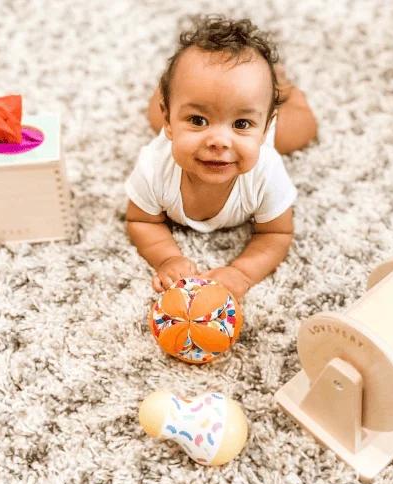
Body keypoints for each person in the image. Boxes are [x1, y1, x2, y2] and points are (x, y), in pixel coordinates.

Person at [125, 15, 317, 301]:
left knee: (304, 130)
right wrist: (167, 259)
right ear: (170, 122)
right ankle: (173, 90)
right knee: (152, 112)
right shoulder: (154, 167)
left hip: (274, 121)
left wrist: (242, 272)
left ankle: (283, 87)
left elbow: (275, 235)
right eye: (198, 120)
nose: (218, 141)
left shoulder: (266, 170)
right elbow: (142, 222)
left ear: (264, 128)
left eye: (241, 124)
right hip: (179, 113)